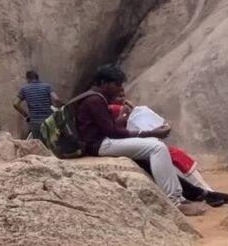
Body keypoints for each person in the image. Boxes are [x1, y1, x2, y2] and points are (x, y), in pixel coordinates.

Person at [74, 65, 207, 216]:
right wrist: (150, 132)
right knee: (157, 147)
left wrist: (125, 116)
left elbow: (109, 128)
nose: (119, 88)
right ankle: (175, 201)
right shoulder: (94, 100)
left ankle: (179, 197)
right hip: (100, 145)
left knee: (156, 147)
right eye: (116, 84)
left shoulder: (93, 97)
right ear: (104, 83)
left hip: (101, 142)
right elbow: (113, 132)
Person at [107, 90, 219, 194]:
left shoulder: (123, 108)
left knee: (175, 154)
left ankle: (205, 189)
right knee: (170, 155)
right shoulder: (113, 109)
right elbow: (116, 130)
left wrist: (134, 110)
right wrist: (125, 113)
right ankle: (203, 191)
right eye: (119, 96)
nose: (123, 99)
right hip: (127, 144)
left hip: (139, 142)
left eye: (123, 96)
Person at [14, 71, 62, 139]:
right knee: (52, 143)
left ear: (28, 79)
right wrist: (60, 109)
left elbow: (15, 104)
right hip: (49, 121)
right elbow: (56, 99)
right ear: (37, 78)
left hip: (35, 123)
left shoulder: (24, 89)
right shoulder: (47, 86)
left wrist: (26, 115)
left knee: (39, 145)